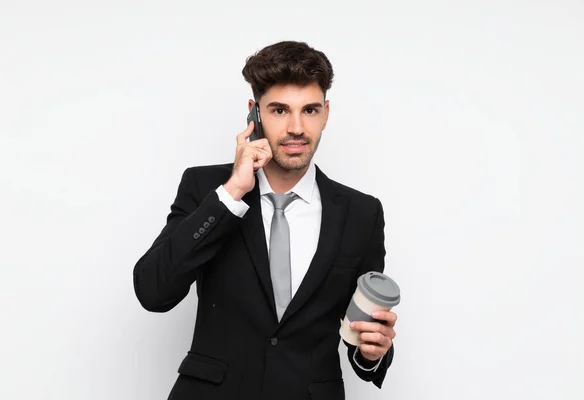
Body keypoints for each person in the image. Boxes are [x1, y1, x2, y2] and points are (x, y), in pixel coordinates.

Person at [133, 40, 397, 400]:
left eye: (310, 110)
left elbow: (361, 334)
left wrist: (371, 352)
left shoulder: (361, 213)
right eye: (278, 110)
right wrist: (231, 193)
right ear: (253, 114)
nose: (296, 128)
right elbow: (153, 290)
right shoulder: (206, 189)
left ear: (326, 113)